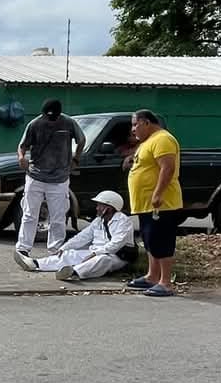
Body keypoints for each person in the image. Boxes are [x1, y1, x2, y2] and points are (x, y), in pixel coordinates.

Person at [13, 98, 85, 270]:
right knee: (30, 214)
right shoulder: (35, 124)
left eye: (54, 117)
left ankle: (55, 250)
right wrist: (21, 158)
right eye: (48, 117)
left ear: (59, 114)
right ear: (43, 113)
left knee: (58, 217)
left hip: (59, 179)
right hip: (35, 176)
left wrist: (76, 158)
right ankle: (23, 249)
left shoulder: (69, 123)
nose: (51, 120)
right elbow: (22, 146)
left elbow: (81, 140)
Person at [127, 110, 183, 297]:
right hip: (146, 204)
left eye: (135, 125)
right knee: (150, 240)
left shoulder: (162, 139)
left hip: (161, 204)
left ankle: (165, 282)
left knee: (162, 241)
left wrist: (158, 193)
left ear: (146, 123)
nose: (133, 129)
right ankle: (152, 276)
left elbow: (167, 168)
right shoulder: (148, 142)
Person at [28, 191, 135, 281]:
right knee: (69, 254)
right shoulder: (98, 221)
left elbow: (116, 244)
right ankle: (36, 264)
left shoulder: (123, 221)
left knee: (102, 259)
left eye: (100, 205)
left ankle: (74, 273)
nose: (97, 208)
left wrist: (95, 253)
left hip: (116, 256)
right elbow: (83, 237)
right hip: (94, 252)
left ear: (109, 208)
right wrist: (65, 247)